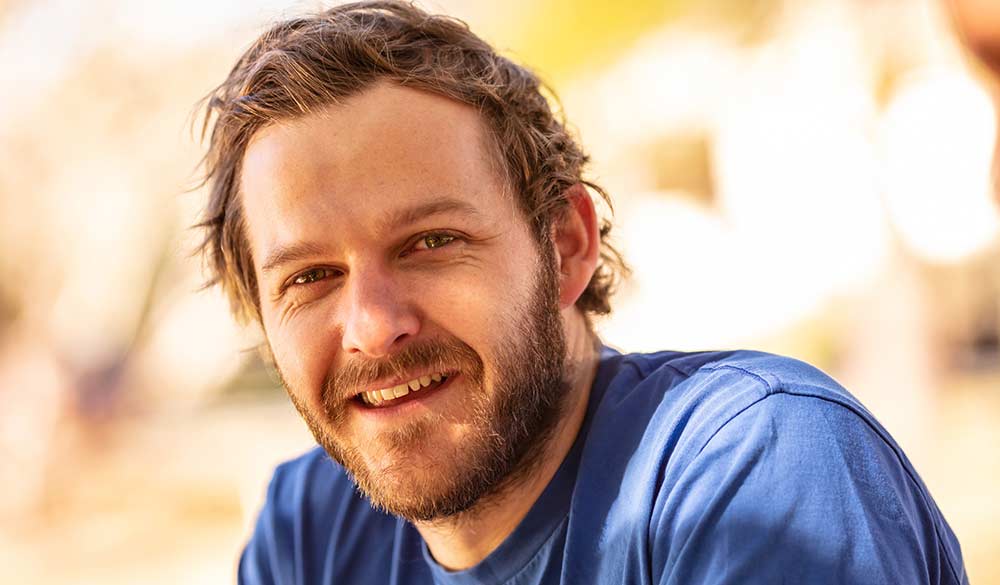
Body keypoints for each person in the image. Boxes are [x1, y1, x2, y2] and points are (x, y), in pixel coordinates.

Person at [198, 2, 968, 583]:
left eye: (431, 242)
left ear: (565, 244)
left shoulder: (753, 464)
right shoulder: (312, 531)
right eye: (310, 277)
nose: (372, 324)